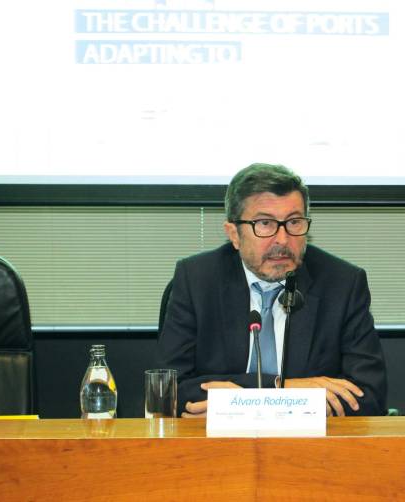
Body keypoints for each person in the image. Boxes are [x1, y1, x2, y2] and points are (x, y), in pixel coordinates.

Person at [157, 163, 386, 417]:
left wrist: (236, 398)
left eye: (294, 222)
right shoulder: (197, 280)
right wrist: (281, 387)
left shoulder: (342, 284)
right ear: (233, 234)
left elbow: (367, 395)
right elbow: (169, 390)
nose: (282, 239)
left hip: (310, 448)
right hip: (218, 447)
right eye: (265, 223)